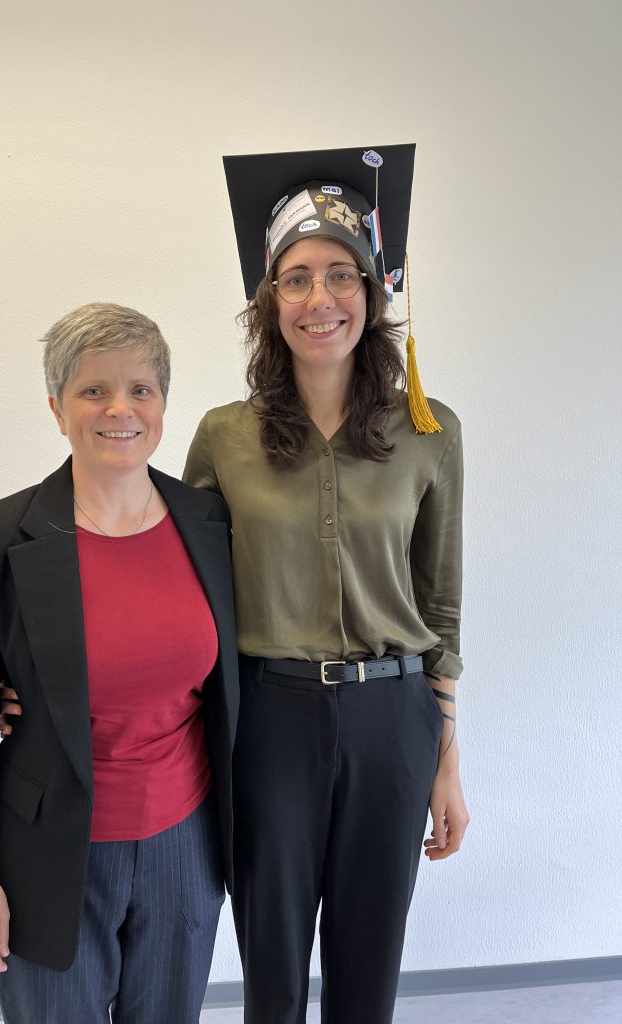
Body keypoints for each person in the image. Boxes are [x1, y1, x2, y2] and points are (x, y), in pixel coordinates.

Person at [181, 145, 470, 1024]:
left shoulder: (429, 429)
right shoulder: (223, 438)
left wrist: (447, 756)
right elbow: (181, 591)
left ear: (374, 290)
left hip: (394, 719)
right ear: (269, 301)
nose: (320, 300)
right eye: (296, 278)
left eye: (341, 275)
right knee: (271, 965)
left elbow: (441, 603)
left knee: (369, 963)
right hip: (268, 719)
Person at [0, 302, 239, 1024]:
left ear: (162, 404)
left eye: (141, 389)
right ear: (56, 407)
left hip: (185, 848)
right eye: (93, 390)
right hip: (47, 849)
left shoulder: (210, 523)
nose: (119, 409)